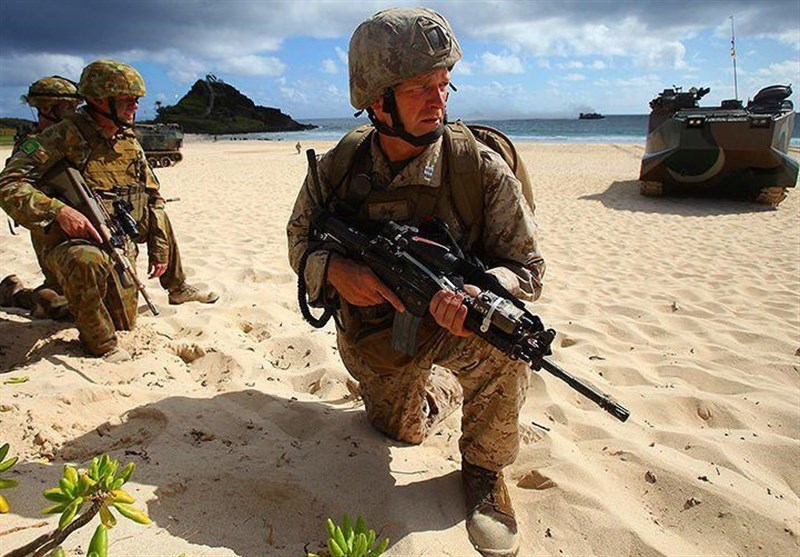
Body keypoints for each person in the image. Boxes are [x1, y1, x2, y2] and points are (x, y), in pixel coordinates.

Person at [287, 8, 544, 557]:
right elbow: (299, 240)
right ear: (378, 101)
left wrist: (482, 293)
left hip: (456, 323)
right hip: (377, 333)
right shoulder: (340, 167)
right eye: (421, 88)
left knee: (507, 343)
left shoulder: (479, 170)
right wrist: (334, 271)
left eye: (444, 84)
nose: (439, 100)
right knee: (401, 431)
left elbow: (528, 268)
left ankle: (484, 473)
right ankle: (439, 390)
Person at [0, 59, 218, 360]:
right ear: (101, 100)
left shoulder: (127, 141)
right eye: (128, 99)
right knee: (85, 264)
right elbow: (8, 184)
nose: (136, 106)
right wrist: (58, 211)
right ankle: (99, 345)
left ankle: (176, 286)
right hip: (71, 244)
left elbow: (152, 196)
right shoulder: (59, 137)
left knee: (123, 321)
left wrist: (159, 248)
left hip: (116, 239)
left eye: (136, 99)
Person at [1, 76, 82, 319]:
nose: (74, 113)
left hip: (78, 219)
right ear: (47, 108)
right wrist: (56, 210)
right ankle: (15, 294)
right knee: (61, 303)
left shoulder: (72, 139)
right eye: (68, 107)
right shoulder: (34, 146)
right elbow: (10, 185)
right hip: (50, 225)